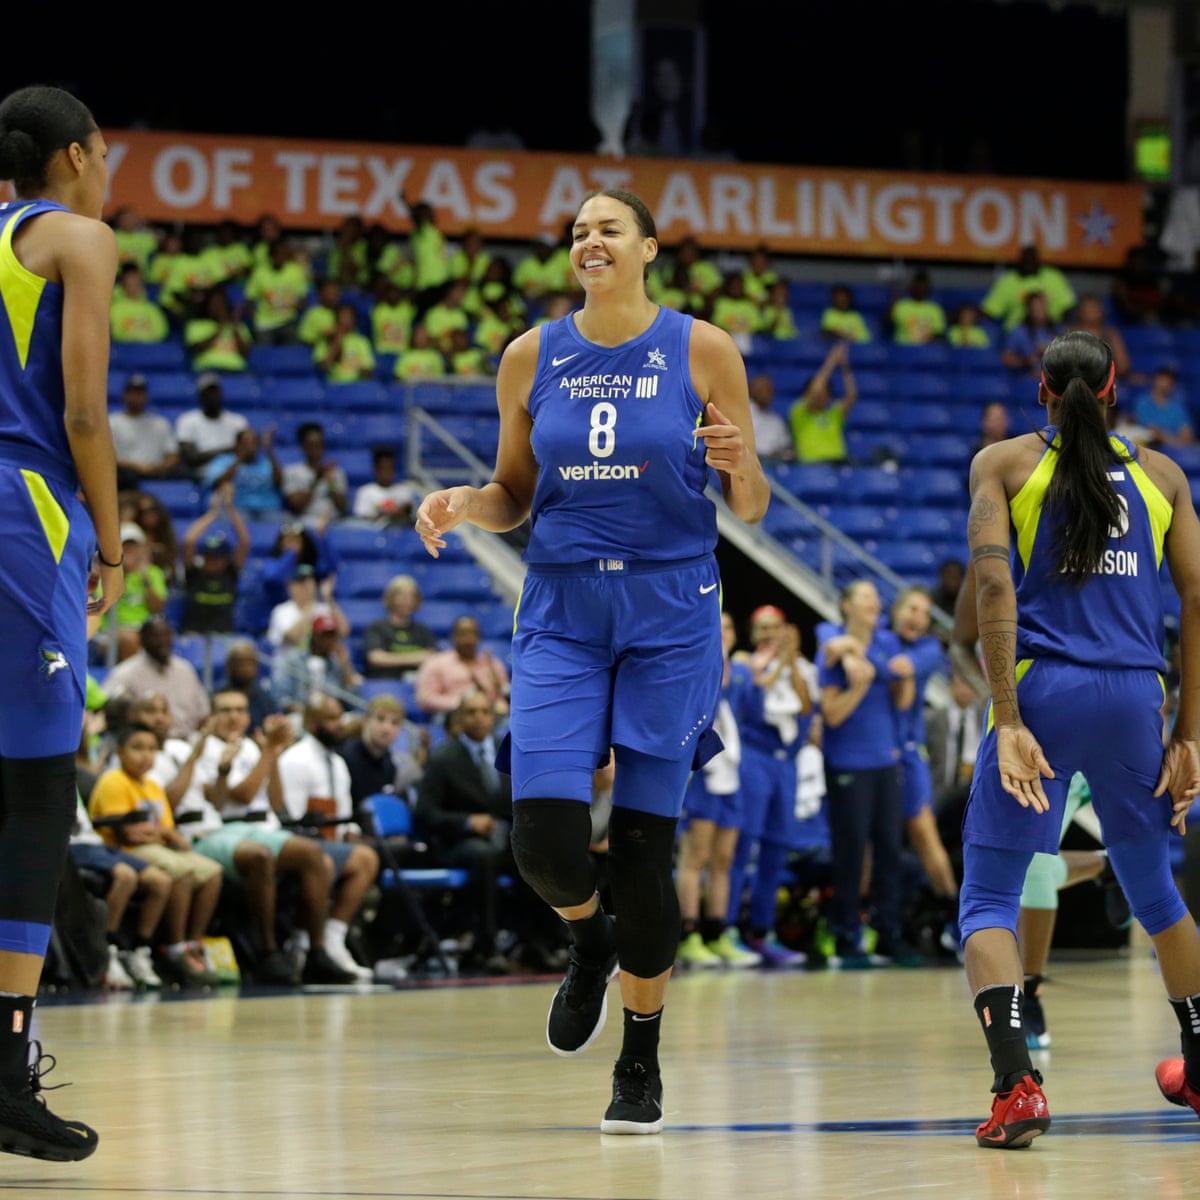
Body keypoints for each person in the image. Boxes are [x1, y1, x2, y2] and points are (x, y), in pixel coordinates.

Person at [415, 187, 769, 1134]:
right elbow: (513, 494)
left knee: (649, 853)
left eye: (608, 227)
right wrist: (463, 501)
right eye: (577, 230)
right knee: (543, 842)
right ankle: (587, 942)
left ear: (648, 248)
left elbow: (754, 508)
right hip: (565, 604)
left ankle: (640, 1062)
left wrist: (738, 462)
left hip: (671, 605)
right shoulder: (531, 355)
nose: (589, 240)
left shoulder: (703, 348)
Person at [958, 328, 1200, 1149]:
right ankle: (1199, 1064)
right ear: (1113, 392)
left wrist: (1008, 720)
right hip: (1138, 697)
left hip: (1046, 688)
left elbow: (991, 582)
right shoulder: (1162, 474)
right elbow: (1197, 603)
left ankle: (1016, 1086)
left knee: (988, 898)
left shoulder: (1006, 463)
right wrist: (1189, 733)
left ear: (1041, 393)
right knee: (1158, 897)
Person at [0, 82, 124, 1162]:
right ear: (79, 155)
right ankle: (5, 1064)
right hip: (21, 512)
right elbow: (82, 410)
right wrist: (117, 539)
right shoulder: (77, 239)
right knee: (36, 789)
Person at [87, 722, 223, 987]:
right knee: (181, 871)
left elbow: (166, 831)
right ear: (121, 752)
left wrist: (160, 834)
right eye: (137, 748)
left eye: (151, 749)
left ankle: (193, 944)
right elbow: (129, 834)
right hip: (124, 850)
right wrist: (160, 834)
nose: (146, 755)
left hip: (156, 848)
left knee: (212, 871)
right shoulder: (113, 780)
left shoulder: (153, 785)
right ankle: (174, 947)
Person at [675, 611, 756, 968]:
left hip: (732, 777)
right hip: (705, 776)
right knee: (696, 857)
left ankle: (718, 931)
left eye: (729, 626)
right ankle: (688, 934)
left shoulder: (740, 674)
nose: (723, 632)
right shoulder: (695, 667)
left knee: (724, 859)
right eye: (717, 626)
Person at [103, 617, 212, 738]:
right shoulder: (125, 673)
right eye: (155, 636)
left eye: (166, 635)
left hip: (188, 741)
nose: (162, 641)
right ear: (142, 639)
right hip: (148, 745)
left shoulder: (185, 669)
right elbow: (110, 712)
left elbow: (204, 713)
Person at [789, 341, 857, 465]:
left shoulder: (833, 413)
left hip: (839, 463)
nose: (820, 396)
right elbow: (816, 390)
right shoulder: (799, 411)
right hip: (812, 465)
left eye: (825, 393)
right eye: (818, 393)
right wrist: (832, 360)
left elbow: (852, 395)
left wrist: (844, 366)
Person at [110, 374, 180, 489]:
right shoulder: (112, 422)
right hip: (124, 475)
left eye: (140, 393)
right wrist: (138, 467)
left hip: (156, 474)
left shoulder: (160, 423)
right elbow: (108, 457)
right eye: (132, 392)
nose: (136, 397)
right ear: (124, 395)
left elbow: (173, 456)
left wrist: (160, 468)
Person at [362, 575, 438, 679]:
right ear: (391, 598)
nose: (407, 601)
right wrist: (417, 658)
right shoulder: (377, 627)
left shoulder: (423, 630)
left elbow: (432, 657)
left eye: (412, 597)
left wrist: (391, 658)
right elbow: (376, 658)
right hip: (385, 681)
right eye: (402, 596)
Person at [352, 447, 421, 526]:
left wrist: (405, 511)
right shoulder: (365, 492)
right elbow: (362, 521)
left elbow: (410, 519)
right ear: (376, 470)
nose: (386, 473)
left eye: (389, 468)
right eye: (383, 469)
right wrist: (388, 516)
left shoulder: (404, 492)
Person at [1133, 366, 1195, 449]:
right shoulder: (1142, 403)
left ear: (1173, 386)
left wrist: (1165, 437)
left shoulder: (1178, 408)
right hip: (1149, 448)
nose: (1164, 385)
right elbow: (1150, 431)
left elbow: (1188, 438)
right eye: (1162, 380)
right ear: (1156, 379)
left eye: (1169, 382)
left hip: (1175, 450)